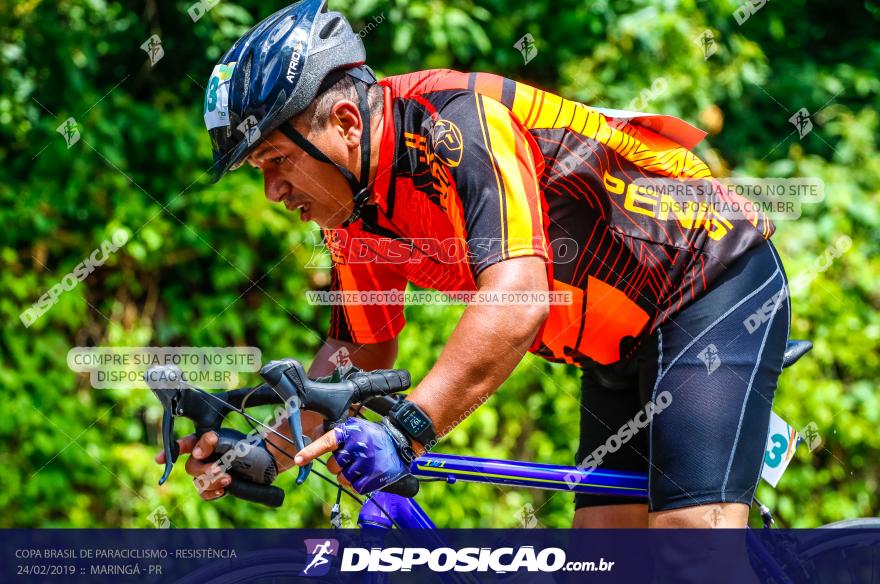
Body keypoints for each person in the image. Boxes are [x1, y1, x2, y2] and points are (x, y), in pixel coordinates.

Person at [158, 0, 791, 529]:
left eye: (274, 160)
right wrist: (267, 450)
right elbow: (361, 350)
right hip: (613, 347)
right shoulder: (354, 209)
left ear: (346, 122)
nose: (272, 190)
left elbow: (517, 298)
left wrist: (408, 433)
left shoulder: (455, 122)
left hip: (710, 285)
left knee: (687, 549)